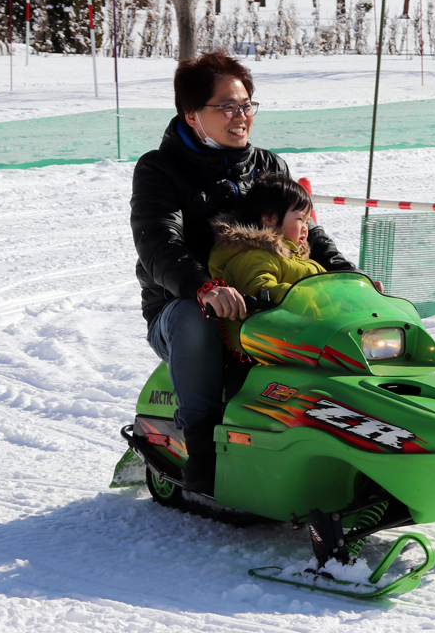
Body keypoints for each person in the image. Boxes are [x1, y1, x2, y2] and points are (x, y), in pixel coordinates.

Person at [130, 50, 358, 494]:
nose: (242, 116)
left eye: (247, 104)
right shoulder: (160, 169)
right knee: (196, 318)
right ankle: (202, 449)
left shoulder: (268, 165)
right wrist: (204, 287)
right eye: (228, 107)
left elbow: (306, 227)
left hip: (268, 304)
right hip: (182, 310)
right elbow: (159, 243)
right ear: (192, 114)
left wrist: (347, 275)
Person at [208, 174, 325, 357]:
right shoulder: (253, 255)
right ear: (270, 218)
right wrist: (296, 296)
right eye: (300, 219)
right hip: (259, 349)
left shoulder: (302, 260)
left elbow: (328, 287)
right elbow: (257, 287)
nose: (305, 228)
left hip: (298, 340)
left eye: (308, 222)